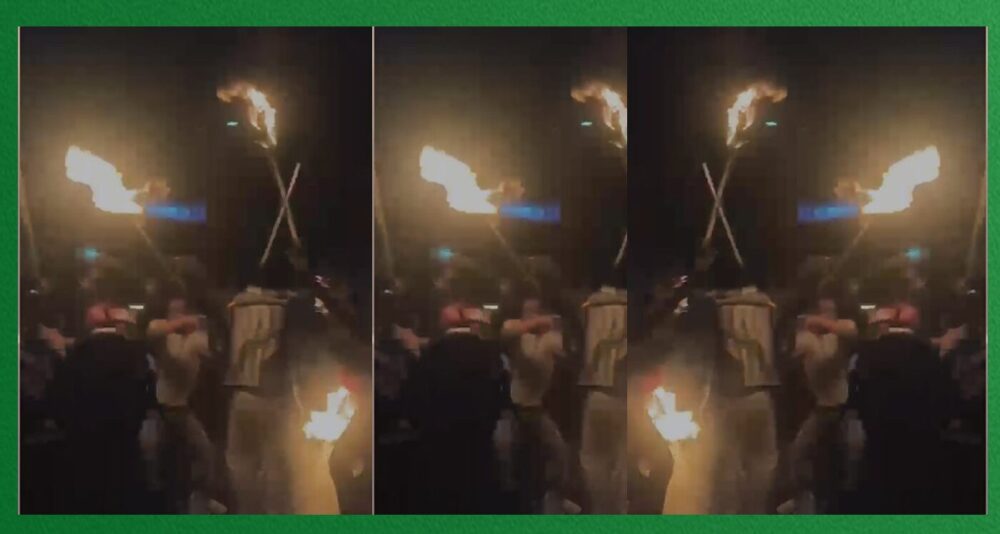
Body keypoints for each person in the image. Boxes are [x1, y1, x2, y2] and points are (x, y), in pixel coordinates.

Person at [50, 302, 155, 513]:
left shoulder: (75, 356)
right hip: (126, 448)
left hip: (85, 450)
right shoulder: (137, 354)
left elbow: (60, 401)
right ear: (117, 325)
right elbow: (149, 397)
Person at [404, 302, 508, 513]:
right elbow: (502, 395)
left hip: (441, 451)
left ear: (442, 324)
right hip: (480, 448)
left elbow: (415, 402)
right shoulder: (491, 354)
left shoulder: (432, 355)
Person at [852, 301, 951, 513]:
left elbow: (856, 394)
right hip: (918, 443)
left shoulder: (868, 353)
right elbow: (941, 396)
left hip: (878, 439)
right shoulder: (927, 353)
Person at [146, 292, 221, 513]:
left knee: (205, 455)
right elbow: (153, 331)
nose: (176, 316)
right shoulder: (163, 333)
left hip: (181, 408)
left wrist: (201, 326)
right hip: (162, 409)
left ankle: (200, 499)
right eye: (173, 312)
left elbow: (210, 351)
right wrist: (182, 322)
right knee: (156, 460)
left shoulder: (196, 339)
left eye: (180, 311)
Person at [786, 292, 858, 513]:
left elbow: (850, 331)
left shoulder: (839, 333)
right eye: (823, 311)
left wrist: (819, 322)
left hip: (839, 409)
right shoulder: (807, 338)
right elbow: (794, 352)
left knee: (844, 461)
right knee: (799, 456)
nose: (828, 315)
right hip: (821, 408)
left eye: (831, 311)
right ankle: (803, 501)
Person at [501, 296, 571, 513]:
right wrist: (538, 322)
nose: (529, 316)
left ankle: (554, 502)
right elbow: (508, 332)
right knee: (511, 460)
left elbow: (562, 351)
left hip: (537, 408)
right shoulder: (517, 333)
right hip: (516, 408)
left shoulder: (550, 338)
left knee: (559, 456)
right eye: (526, 311)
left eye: (534, 311)